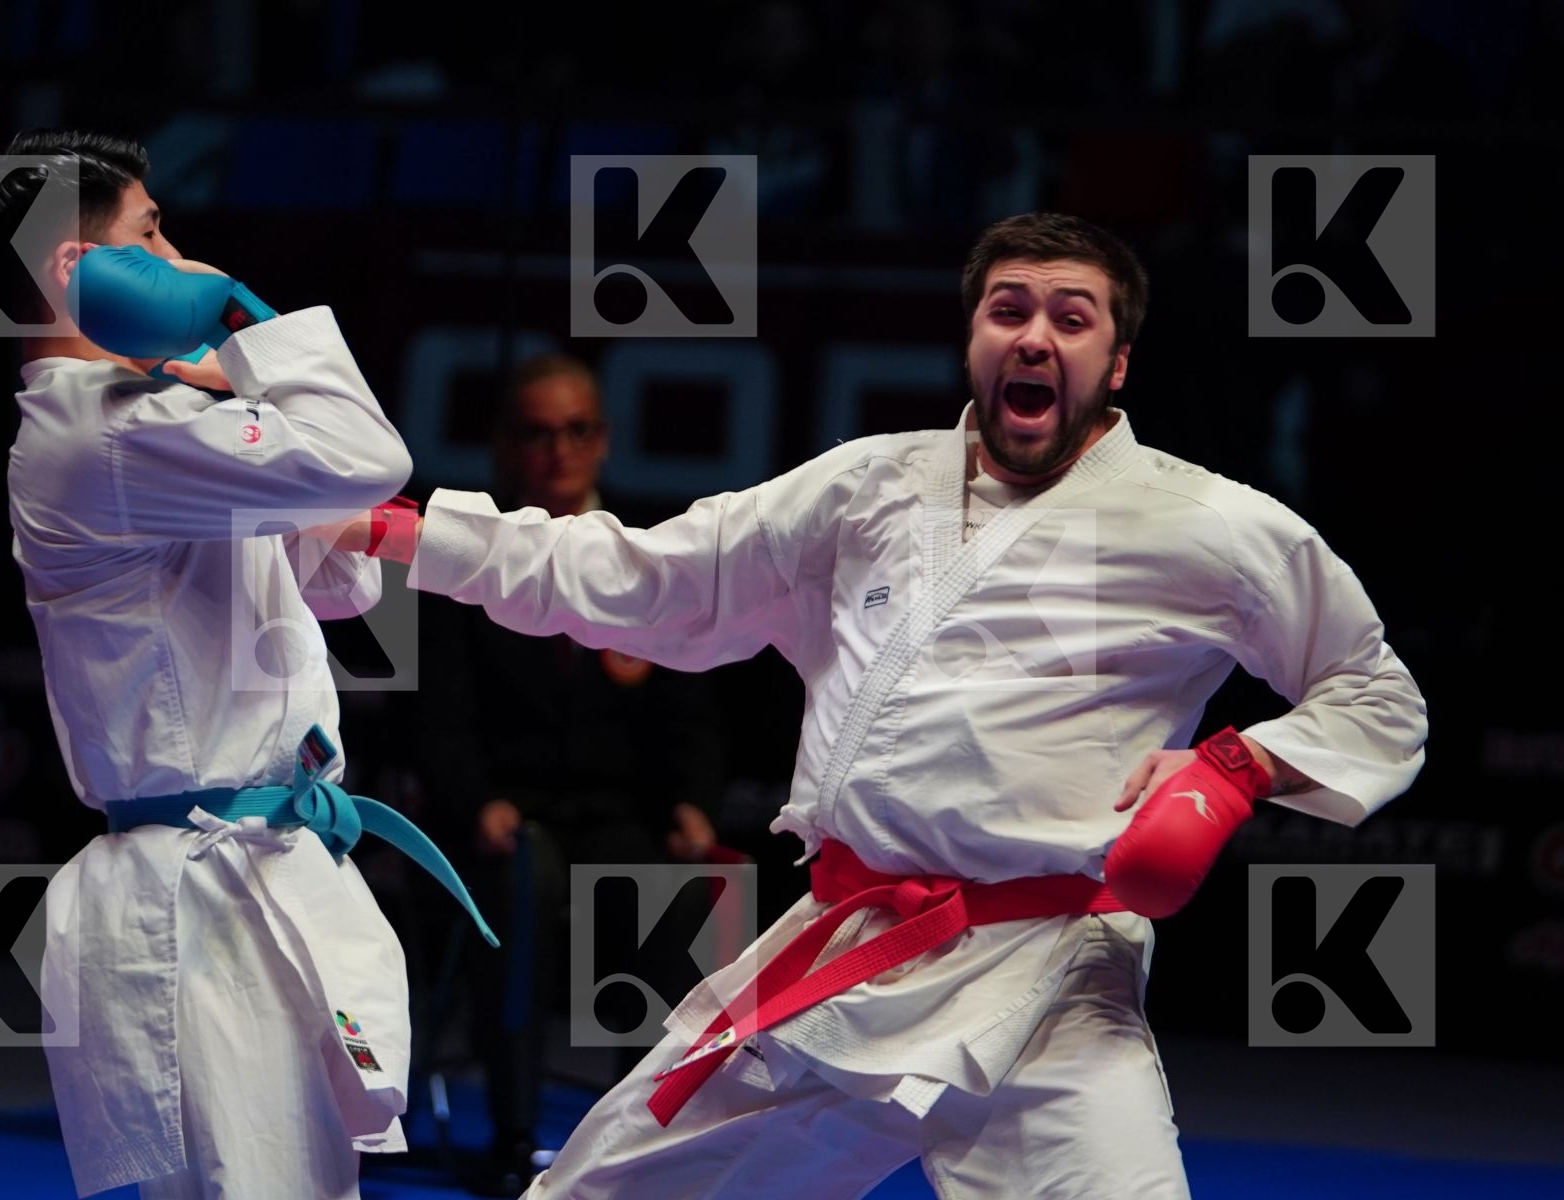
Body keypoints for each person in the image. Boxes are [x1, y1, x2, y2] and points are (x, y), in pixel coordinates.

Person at [360, 212, 1429, 1198]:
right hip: (848, 948)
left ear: (1117, 361)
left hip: (1049, 978)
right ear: (971, 337)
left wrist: (1233, 769)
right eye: (1009, 309)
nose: (1035, 336)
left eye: (1072, 316)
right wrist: (418, 536)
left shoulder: (1206, 523)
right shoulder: (864, 488)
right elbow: (648, 578)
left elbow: (1377, 695)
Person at [0, 129, 488, 1199]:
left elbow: (338, 586)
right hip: (198, 896)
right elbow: (372, 456)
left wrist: (223, 387)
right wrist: (245, 314)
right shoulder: (98, 435)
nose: (179, 253)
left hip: (257, 870)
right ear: (87, 272)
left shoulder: (146, 423)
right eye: (152, 232)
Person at [414, 353, 725, 1194]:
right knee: (521, 880)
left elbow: (691, 710)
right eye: (538, 433)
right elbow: (438, 718)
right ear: (505, 446)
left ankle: (646, 1132)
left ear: (604, 440)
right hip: (508, 817)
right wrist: (475, 800)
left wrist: (694, 804)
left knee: (672, 886)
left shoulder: (648, 552)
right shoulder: (464, 560)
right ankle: (514, 1136)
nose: (560, 450)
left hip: (618, 811)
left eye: (577, 430)